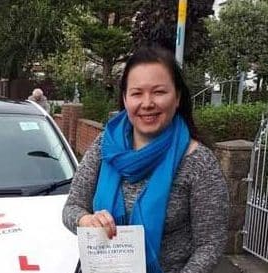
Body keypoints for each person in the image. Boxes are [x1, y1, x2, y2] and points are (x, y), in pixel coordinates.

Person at [62, 46, 229, 273]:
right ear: (125, 98)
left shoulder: (199, 163)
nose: (147, 103)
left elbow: (210, 245)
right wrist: (86, 220)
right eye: (137, 93)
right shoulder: (105, 146)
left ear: (177, 97)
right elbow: (72, 207)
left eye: (159, 92)